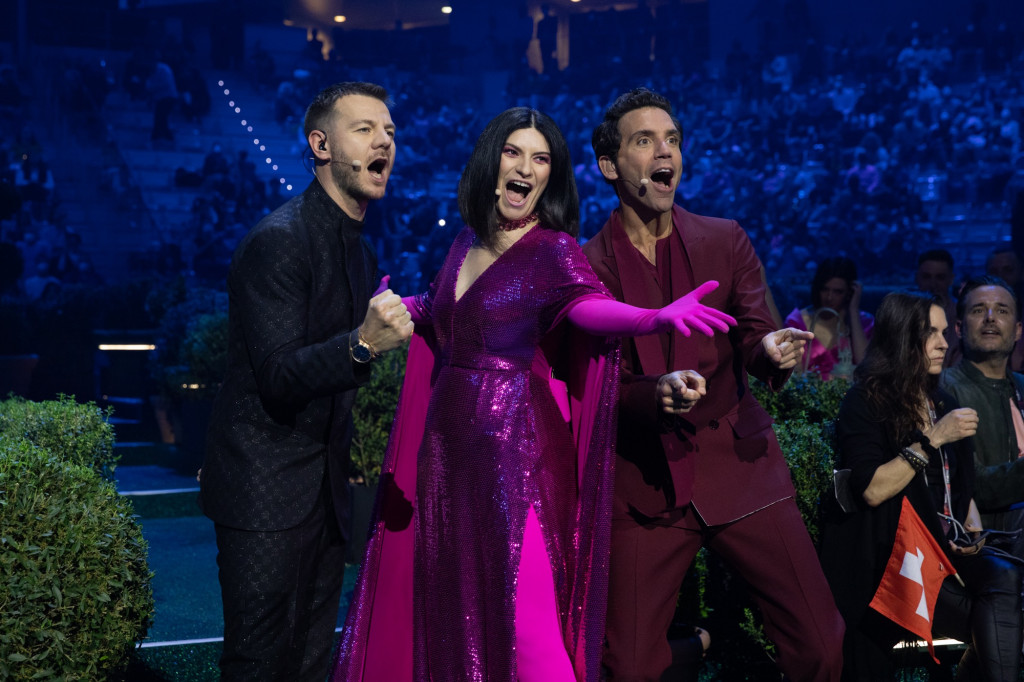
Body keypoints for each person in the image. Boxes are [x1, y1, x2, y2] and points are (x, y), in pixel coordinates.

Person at [335, 107, 734, 682]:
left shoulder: (553, 250)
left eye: (540, 158)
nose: (526, 168)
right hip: (447, 456)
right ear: (490, 162)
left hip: (515, 455)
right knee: (458, 617)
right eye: (514, 152)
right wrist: (398, 310)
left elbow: (587, 307)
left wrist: (650, 318)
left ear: (551, 175)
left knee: (530, 630)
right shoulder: (464, 242)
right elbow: (445, 311)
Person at [581, 87, 844, 682]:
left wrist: (770, 350)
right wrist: (653, 395)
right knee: (629, 667)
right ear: (609, 166)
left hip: (741, 467)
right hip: (645, 485)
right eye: (644, 141)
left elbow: (756, 331)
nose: (664, 151)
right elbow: (593, 387)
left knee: (821, 644)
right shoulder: (587, 267)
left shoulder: (725, 239)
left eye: (672, 139)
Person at [198, 82, 413, 682]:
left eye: (390, 132)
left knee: (311, 662)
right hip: (262, 491)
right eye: (364, 129)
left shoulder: (361, 252)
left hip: (324, 494)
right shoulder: (278, 241)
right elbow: (278, 374)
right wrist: (363, 344)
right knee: (259, 663)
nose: (384, 142)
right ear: (320, 145)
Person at [819, 290, 1023, 680]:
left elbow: (961, 490)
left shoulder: (942, 401)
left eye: (945, 332)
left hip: (948, 552)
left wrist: (972, 533)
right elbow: (872, 489)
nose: (944, 343)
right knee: (1002, 622)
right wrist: (932, 438)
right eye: (932, 333)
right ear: (902, 337)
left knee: (1005, 577)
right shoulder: (866, 402)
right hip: (899, 559)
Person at [941, 276, 1024, 554]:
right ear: (958, 328)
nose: (990, 318)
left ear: (1018, 330)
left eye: (1002, 310)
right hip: (990, 540)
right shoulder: (945, 389)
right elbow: (971, 485)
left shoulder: (1021, 385)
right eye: (978, 310)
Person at [785, 257, 873, 380]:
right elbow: (792, 375)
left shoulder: (865, 323)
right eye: (825, 289)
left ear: (850, 292)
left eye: (838, 292)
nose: (829, 297)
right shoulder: (796, 322)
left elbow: (865, 367)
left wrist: (853, 310)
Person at [915, 248, 958, 365]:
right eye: (926, 277)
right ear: (917, 278)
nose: (932, 284)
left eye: (940, 277)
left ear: (951, 279)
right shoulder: (904, 315)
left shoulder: (961, 315)